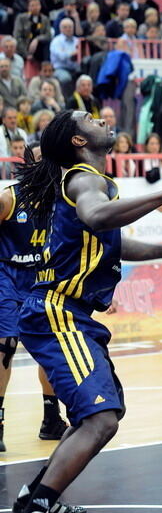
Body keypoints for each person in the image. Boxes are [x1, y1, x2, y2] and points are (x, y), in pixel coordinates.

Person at [1, 109, 162, 513]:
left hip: (70, 313)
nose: (100, 118)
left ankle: (36, 496)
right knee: (100, 418)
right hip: (57, 311)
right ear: (78, 141)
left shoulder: (96, 183)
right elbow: (99, 217)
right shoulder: (84, 179)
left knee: (102, 415)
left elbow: (113, 242)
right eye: (88, 118)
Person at [0, 146, 69, 451]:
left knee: (51, 348)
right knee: (5, 346)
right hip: (8, 277)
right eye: (41, 159)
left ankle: (51, 419)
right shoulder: (9, 198)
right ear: (29, 164)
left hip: (43, 279)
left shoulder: (64, 201)